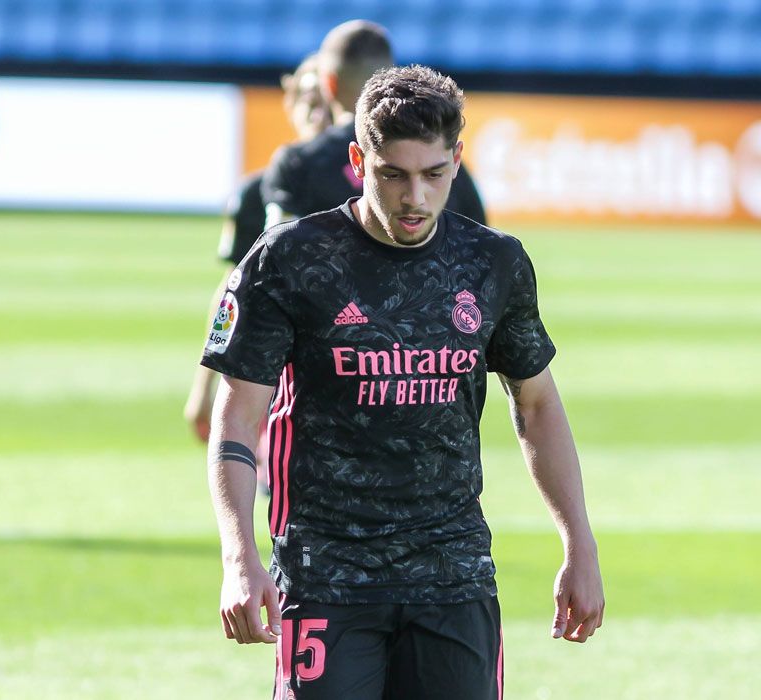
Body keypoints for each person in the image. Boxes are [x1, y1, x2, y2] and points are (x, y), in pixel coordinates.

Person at [202, 65, 604, 699]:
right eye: (394, 174)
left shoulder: (494, 262)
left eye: (433, 175)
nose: (414, 197)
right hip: (327, 575)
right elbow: (236, 418)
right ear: (360, 160)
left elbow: (537, 404)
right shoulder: (291, 260)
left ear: (457, 161)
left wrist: (580, 542)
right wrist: (238, 556)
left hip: (454, 574)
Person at [184, 54, 333, 444]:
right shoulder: (258, 194)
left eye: (324, 101)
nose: (318, 113)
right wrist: (205, 385)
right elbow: (234, 291)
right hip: (276, 377)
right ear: (290, 104)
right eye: (307, 100)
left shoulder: (375, 192)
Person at [261, 20, 487, 229]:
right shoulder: (442, 161)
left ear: (329, 84)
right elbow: (480, 247)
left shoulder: (298, 163)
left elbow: (275, 251)